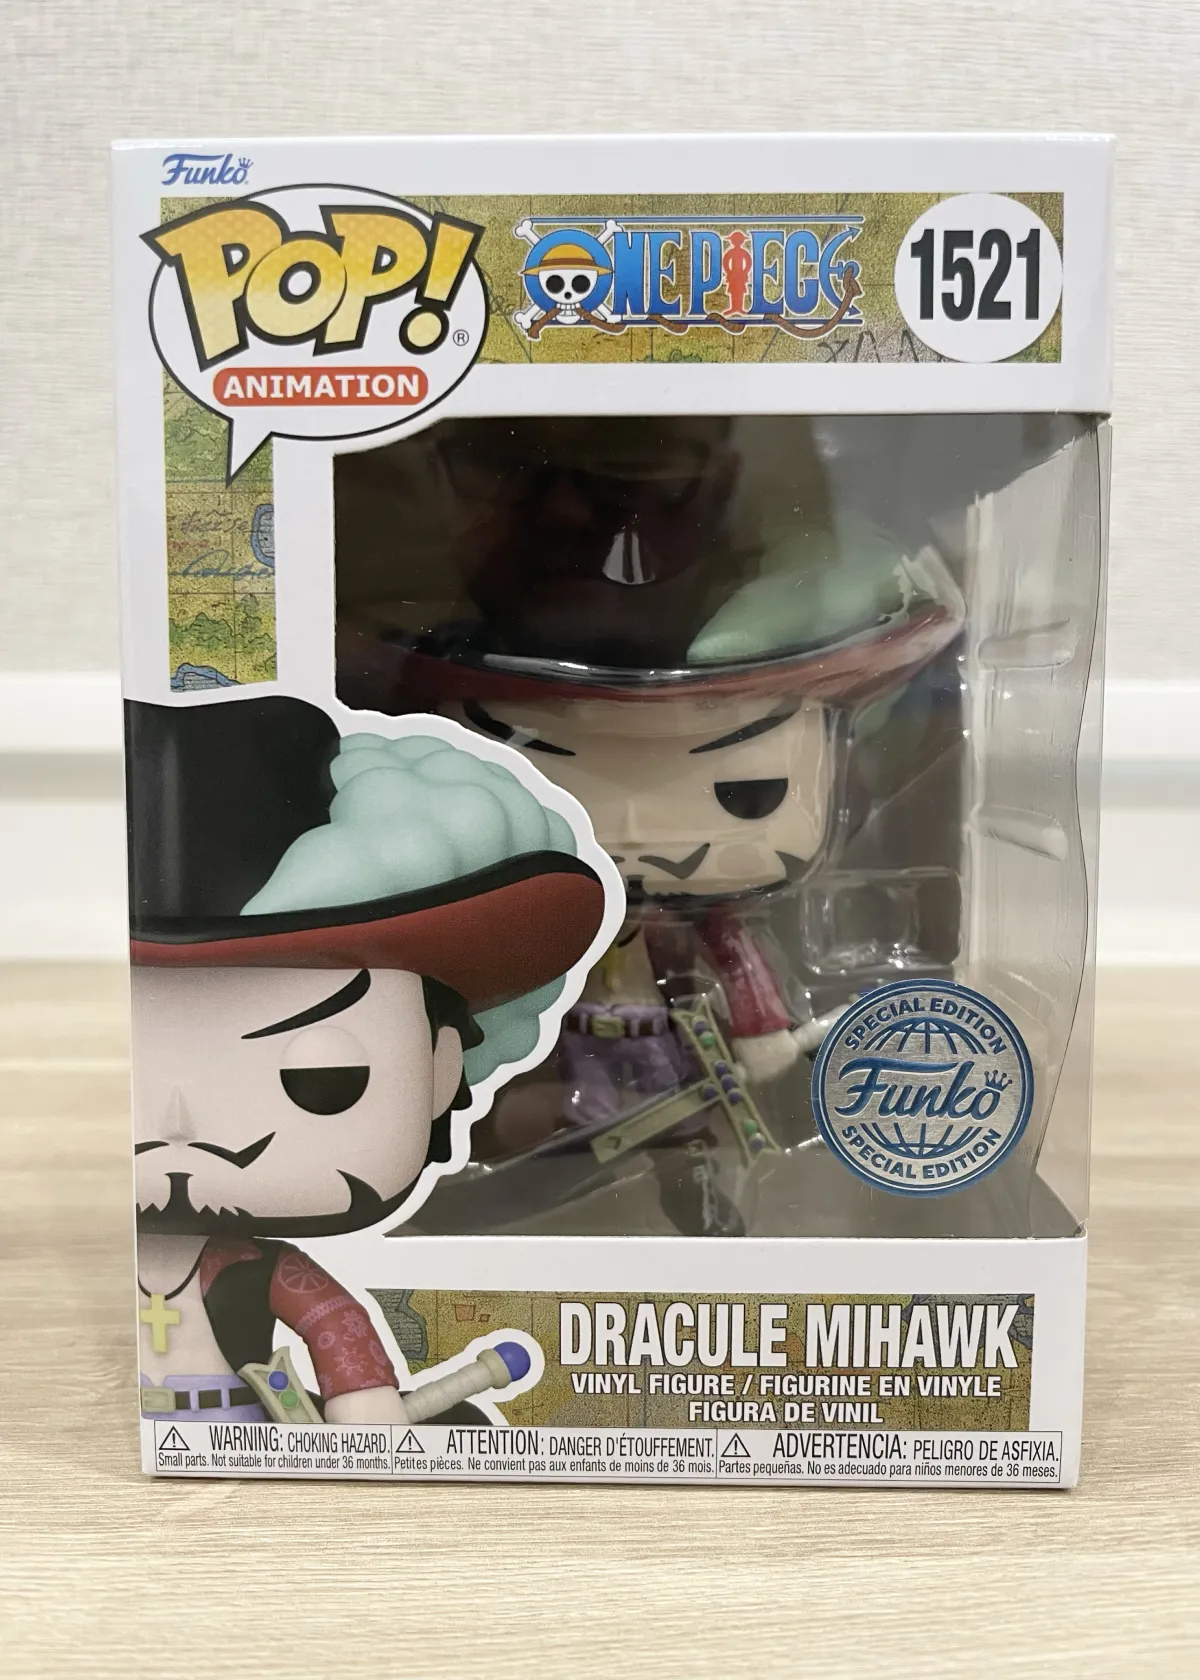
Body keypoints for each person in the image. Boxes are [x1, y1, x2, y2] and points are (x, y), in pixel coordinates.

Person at [128, 695, 607, 1423]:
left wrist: (362, 1397)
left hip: (239, 1423)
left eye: (321, 1078)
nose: (178, 1127)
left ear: (440, 1067)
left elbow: (334, 1323)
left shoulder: (260, 1268)